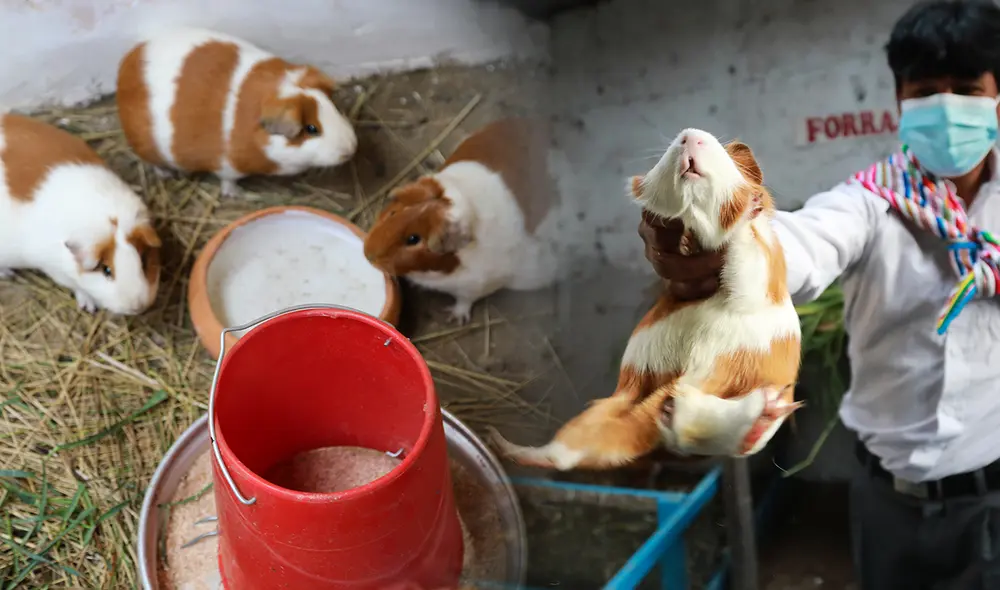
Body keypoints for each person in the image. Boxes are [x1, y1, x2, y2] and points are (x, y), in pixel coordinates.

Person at [639, 2, 1000, 589]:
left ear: (997, 98)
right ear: (899, 102)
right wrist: (730, 249)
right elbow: (804, 242)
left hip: (990, 493)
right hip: (888, 501)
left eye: (966, 88)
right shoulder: (868, 202)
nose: (948, 107)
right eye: (927, 91)